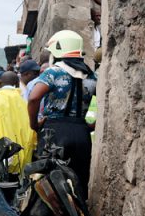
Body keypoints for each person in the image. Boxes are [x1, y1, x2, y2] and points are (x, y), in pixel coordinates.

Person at [28, 30, 97, 196]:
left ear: (58, 51)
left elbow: (33, 98)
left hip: (54, 132)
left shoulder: (53, 73)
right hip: (82, 133)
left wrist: (34, 124)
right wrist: (92, 125)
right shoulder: (92, 76)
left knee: (46, 180)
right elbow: (106, 101)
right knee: (79, 182)